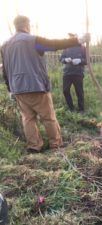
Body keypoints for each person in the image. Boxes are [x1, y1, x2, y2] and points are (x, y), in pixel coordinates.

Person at [1, 15, 90, 153]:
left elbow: (6, 70)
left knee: (28, 119)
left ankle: (34, 146)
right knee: (48, 117)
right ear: (26, 25)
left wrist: (9, 89)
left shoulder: (5, 45)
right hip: (36, 86)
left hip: (18, 89)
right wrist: (77, 40)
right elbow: (54, 44)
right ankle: (56, 145)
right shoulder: (33, 41)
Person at [60, 33, 87, 113]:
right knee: (65, 91)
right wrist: (65, 60)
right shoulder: (66, 48)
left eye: (72, 38)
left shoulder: (83, 48)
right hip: (67, 73)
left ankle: (81, 110)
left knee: (79, 91)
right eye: (70, 38)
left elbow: (87, 60)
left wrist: (80, 61)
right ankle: (71, 108)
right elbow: (61, 58)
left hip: (78, 73)